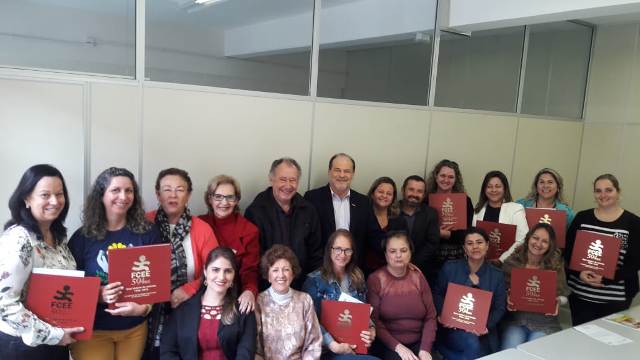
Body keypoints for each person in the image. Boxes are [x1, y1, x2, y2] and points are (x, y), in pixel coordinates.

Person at [68, 167, 159, 360]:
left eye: (129, 190)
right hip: (93, 329)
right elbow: (70, 288)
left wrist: (144, 308)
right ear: (101, 195)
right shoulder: (82, 237)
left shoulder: (149, 233)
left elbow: (156, 283)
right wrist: (98, 295)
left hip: (134, 329)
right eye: (115, 190)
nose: (123, 196)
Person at [0, 164, 83, 359]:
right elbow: (4, 304)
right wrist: (52, 335)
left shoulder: (58, 237)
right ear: (27, 199)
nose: (54, 201)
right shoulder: (19, 240)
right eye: (45, 195)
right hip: (23, 346)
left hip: (55, 341)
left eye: (59, 194)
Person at [144, 168, 219, 358]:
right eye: (167, 189)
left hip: (188, 308)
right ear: (158, 194)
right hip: (147, 310)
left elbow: (214, 271)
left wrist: (189, 290)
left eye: (180, 189)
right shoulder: (144, 223)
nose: (173, 195)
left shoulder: (202, 229)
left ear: (189, 195)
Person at [564, 174, 640, 325]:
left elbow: (636, 262)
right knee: (580, 337)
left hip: (616, 299)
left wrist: (606, 279)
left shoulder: (633, 223)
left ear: (618, 192)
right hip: (580, 295)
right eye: (598, 191)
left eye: (608, 190)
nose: (603, 195)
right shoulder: (582, 218)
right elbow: (567, 252)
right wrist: (579, 273)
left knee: (610, 340)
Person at [160, 247, 256, 359]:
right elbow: (168, 351)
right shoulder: (182, 310)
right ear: (205, 271)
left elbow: (246, 354)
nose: (221, 277)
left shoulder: (243, 311)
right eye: (215, 270)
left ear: (234, 275)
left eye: (228, 271)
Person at [245, 157, 323, 290]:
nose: (288, 185)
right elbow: (253, 258)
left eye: (293, 180)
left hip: (302, 287)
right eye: (283, 179)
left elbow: (316, 253)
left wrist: (312, 286)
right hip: (267, 288)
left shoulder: (308, 210)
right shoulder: (256, 211)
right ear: (271, 179)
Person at [303, 229, 378, 359]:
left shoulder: (357, 276)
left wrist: (372, 330)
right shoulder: (314, 280)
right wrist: (333, 346)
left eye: (347, 250)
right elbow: (310, 321)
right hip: (329, 350)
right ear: (329, 250)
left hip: (357, 347)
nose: (342, 255)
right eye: (338, 249)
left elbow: (365, 312)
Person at [434, 228, 506, 359]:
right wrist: (442, 314)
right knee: (471, 345)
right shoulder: (450, 267)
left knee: (476, 347)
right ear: (464, 248)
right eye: (470, 243)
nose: (475, 247)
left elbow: (500, 308)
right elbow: (437, 293)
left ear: (487, 245)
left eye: (479, 242)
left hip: (482, 334)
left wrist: (485, 325)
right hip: (453, 330)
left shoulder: (497, 275)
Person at [367, 231, 437, 360]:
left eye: (403, 250)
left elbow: (431, 316)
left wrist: (425, 349)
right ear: (386, 254)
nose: (398, 255)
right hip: (389, 345)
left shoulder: (418, 276)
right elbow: (374, 321)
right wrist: (398, 347)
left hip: (420, 342)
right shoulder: (376, 279)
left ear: (410, 252)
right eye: (392, 251)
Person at [501, 223, 570, 349]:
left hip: (545, 323)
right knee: (510, 349)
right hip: (516, 321)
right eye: (535, 238)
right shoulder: (512, 262)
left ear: (550, 246)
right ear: (528, 238)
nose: (538, 244)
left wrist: (558, 301)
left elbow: (564, 296)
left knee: (533, 351)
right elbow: (501, 291)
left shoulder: (555, 265)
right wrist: (507, 297)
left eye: (545, 241)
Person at [304, 153, 380, 267]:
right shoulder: (312, 198)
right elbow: (307, 238)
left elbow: (375, 236)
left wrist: (398, 253)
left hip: (353, 270)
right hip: (321, 269)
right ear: (329, 172)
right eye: (337, 170)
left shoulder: (363, 202)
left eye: (347, 171)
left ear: (353, 174)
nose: (342, 175)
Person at [199, 174, 260, 314]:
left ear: (237, 200)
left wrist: (249, 291)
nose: (224, 202)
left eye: (230, 197)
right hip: (201, 292)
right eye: (218, 196)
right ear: (210, 198)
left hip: (233, 294)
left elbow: (249, 270)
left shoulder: (249, 230)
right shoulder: (199, 224)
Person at [255, 244, 322, 360]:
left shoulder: (305, 301)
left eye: (286, 269)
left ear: (292, 274)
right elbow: (255, 349)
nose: (281, 275)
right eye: (275, 270)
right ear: (268, 276)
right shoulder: (259, 302)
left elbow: (314, 344)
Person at [424, 160, 474, 281]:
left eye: (451, 177)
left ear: (456, 180)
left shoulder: (465, 201)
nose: (446, 180)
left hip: (455, 257)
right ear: (436, 176)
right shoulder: (425, 200)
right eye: (443, 175)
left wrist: (447, 234)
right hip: (429, 256)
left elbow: (467, 233)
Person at [472, 171, 529, 263]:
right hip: (481, 261)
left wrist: (501, 260)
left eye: (498, 186)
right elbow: (474, 237)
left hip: (507, 262)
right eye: (489, 186)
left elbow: (523, 239)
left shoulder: (516, 209)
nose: (493, 190)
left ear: (504, 189)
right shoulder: (478, 209)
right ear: (484, 189)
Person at [398, 176, 440, 280]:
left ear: (424, 194)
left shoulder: (431, 213)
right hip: (392, 266)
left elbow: (433, 243)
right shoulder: (391, 210)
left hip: (421, 270)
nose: (415, 194)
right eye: (411, 189)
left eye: (419, 191)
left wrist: (412, 262)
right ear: (403, 190)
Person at [365, 177, 407, 273]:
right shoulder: (363, 216)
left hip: (391, 270)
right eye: (380, 192)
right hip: (365, 270)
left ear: (393, 198)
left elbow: (404, 245)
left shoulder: (399, 220)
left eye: (389, 194)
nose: (384, 196)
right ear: (372, 194)